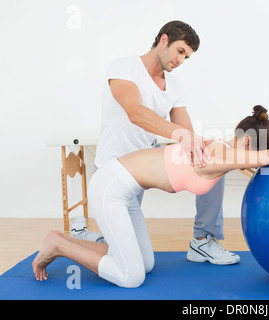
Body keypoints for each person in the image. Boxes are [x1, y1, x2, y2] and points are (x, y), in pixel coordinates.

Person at [33, 105, 269, 288]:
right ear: (246, 143)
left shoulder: (222, 150)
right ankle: (59, 245)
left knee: (146, 264)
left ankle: (68, 238)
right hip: (111, 187)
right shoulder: (223, 155)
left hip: (128, 190)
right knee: (131, 277)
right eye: (259, 155)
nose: (259, 163)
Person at [70, 20, 238, 265]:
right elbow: (135, 113)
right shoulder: (124, 67)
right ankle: (81, 235)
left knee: (215, 161)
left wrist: (207, 146)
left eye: (187, 57)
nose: (181, 60)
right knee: (130, 258)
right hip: (114, 168)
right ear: (163, 40)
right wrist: (180, 135)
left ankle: (202, 240)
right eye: (180, 51)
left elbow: (185, 129)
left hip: (146, 169)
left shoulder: (175, 86)